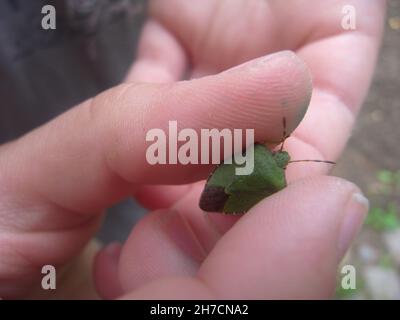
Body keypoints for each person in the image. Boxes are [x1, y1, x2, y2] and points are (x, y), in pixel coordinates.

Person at [0, 0, 385, 299]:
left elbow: (231, 159)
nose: (282, 152)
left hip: (124, 179)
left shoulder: (258, 150)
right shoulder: (274, 180)